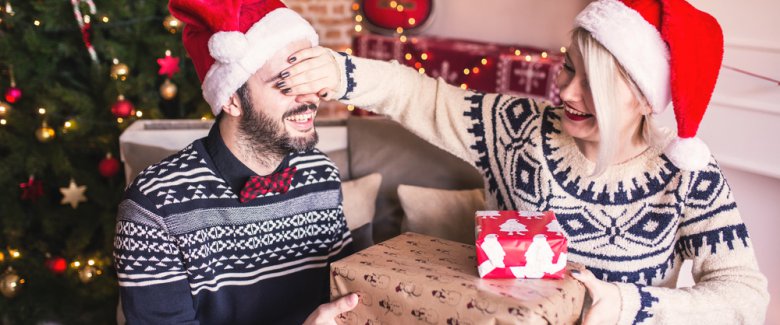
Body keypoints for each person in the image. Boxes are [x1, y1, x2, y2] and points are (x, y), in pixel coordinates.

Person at [280, 0, 770, 323]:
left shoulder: (688, 176)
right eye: (569, 67)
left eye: (593, 84)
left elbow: (745, 297)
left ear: (645, 99)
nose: (568, 92)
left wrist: (627, 305)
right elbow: (422, 97)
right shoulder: (519, 130)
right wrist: (342, 71)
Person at [113, 1, 358, 323]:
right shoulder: (153, 208)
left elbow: (345, 291)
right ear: (231, 99)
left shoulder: (319, 172)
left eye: (309, 80)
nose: (311, 98)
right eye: (286, 83)